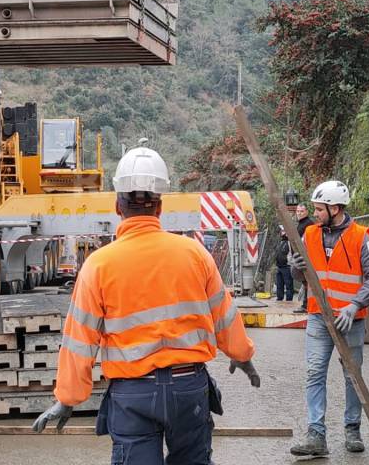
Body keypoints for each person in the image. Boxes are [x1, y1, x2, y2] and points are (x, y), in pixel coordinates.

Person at [32, 142, 261, 465]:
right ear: (160, 207)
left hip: (133, 394)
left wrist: (68, 399)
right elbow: (224, 315)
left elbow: (80, 341)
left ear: (117, 207)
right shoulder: (195, 254)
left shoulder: (99, 265)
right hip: (188, 389)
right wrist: (242, 355)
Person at [288, 181, 369, 457]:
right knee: (315, 372)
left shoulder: (360, 236)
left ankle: (352, 428)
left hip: (350, 321)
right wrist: (295, 268)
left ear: (335, 208)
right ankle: (316, 434)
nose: (315, 213)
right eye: (315, 209)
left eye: (319, 209)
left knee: (352, 375)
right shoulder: (310, 234)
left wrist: (354, 306)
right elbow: (301, 275)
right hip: (319, 317)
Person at [291, 203, 315, 313]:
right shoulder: (301, 224)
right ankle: (306, 305)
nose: (299, 213)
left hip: (307, 258)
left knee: (307, 283)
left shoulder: (308, 224)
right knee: (305, 283)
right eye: (298, 211)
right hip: (300, 258)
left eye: (301, 211)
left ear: (307, 212)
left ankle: (307, 305)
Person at [274, 225, 293, 301]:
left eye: (283, 231)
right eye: (282, 231)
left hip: (287, 266)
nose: (282, 232)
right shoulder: (281, 242)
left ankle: (289, 300)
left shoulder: (290, 242)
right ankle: (279, 298)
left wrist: (290, 262)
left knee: (288, 284)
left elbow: (292, 253)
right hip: (279, 266)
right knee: (279, 284)